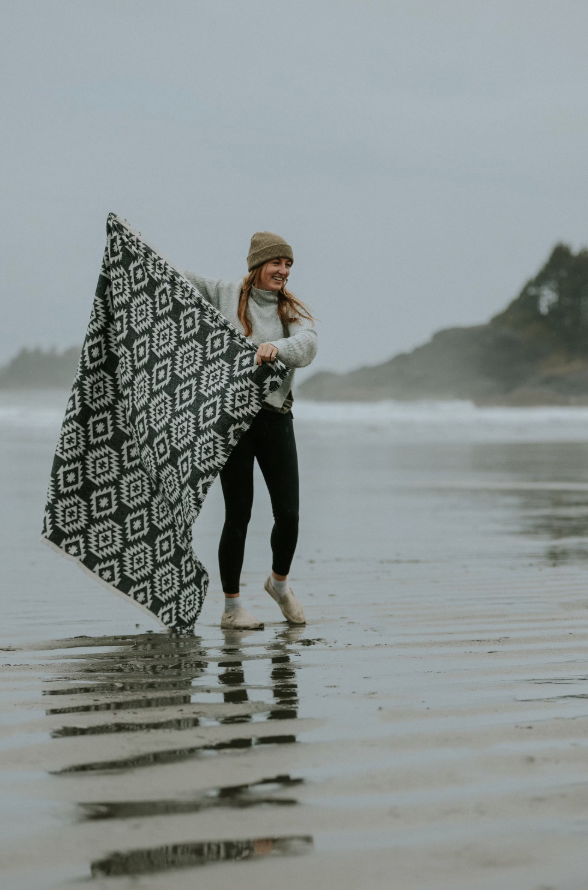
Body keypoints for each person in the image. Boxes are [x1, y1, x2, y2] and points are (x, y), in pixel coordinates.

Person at [185, 231, 318, 629]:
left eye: (289, 264)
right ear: (258, 265)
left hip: (275, 417)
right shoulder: (226, 294)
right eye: (277, 263)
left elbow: (308, 345)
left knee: (289, 514)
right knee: (237, 515)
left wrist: (276, 348)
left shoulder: (289, 310)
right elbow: (177, 279)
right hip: (233, 421)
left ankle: (278, 584)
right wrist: (136, 247)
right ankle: (231, 609)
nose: (284, 271)